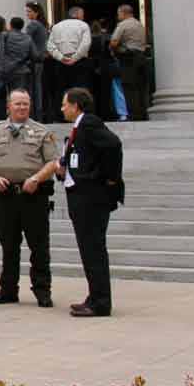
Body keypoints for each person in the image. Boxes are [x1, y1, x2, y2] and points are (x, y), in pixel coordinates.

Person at [0, 89, 61, 308]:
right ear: (8, 106)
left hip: (34, 195)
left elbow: (53, 162)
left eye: (25, 104)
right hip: (6, 196)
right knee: (8, 245)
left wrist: (37, 178)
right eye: (17, 104)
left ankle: (42, 290)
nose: (22, 107)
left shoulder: (42, 131)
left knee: (39, 246)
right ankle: (8, 289)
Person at [60, 87, 124, 318]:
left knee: (94, 249)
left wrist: (109, 179)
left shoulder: (88, 122)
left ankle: (100, 302)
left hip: (91, 198)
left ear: (76, 105)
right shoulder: (81, 125)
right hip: (81, 196)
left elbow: (113, 146)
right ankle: (94, 296)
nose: (62, 108)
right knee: (89, 250)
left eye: (65, 104)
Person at [48, 5, 93, 122]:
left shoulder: (57, 26)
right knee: (81, 89)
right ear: (78, 15)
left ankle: (60, 116)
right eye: (82, 14)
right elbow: (85, 44)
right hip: (79, 62)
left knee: (61, 90)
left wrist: (61, 57)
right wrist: (75, 57)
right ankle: (81, 115)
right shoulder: (83, 25)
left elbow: (50, 45)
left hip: (61, 63)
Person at [111, 3, 148, 121]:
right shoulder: (139, 24)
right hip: (141, 57)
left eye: (118, 14)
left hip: (128, 58)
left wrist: (114, 50)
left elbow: (114, 42)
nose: (118, 16)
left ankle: (133, 115)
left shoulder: (123, 25)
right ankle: (143, 114)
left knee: (129, 87)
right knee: (140, 87)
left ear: (123, 13)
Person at [22, 2, 51, 119]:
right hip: (41, 60)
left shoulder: (33, 25)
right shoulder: (43, 25)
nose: (27, 13)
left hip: (33, 61)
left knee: (32, 88)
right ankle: (39, 113)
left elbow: (24, 40)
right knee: (37, 87)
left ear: (36, 13)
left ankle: (33, 114)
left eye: (29, 11)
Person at [2, 17, 36, 105]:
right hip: (22, 71)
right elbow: (34, 55)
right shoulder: (28, 38)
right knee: (20, 96)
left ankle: (9, 115)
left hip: (6, 70)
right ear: (22, 26)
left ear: (11, 25)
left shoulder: (6, 36)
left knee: (7, 96)